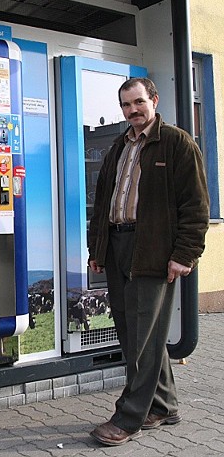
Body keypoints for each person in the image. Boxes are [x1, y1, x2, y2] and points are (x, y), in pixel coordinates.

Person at [87, 77, 209, 446]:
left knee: (142, 338)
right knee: (134, 332)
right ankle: (164, 405)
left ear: (153, 100)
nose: (132, 111)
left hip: (153, 250)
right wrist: (97, 250)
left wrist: (184, 255)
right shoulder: (118, 147)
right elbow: (103, 203)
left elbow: (196, 206)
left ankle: (130, 417)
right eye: (126, 105)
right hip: (118, 247)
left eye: (138, 102)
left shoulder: (176, 143)